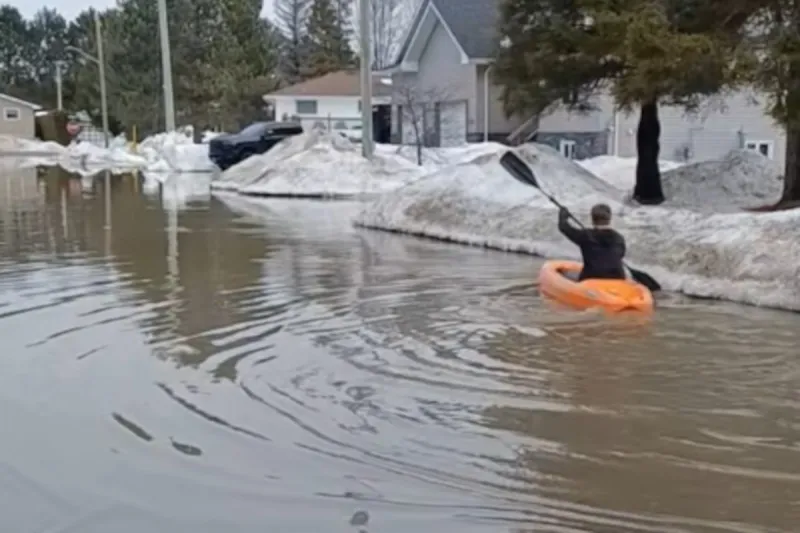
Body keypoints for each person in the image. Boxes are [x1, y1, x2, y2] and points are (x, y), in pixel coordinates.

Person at [558, 203, 626, 281]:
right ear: (609, 219)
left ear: (592, 219)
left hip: (591, 277)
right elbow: (621, 255)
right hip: (617, 277)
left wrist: (563, 216)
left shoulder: (585, 235)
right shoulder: (619, 238)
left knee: (564, 274)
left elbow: (564, 227)